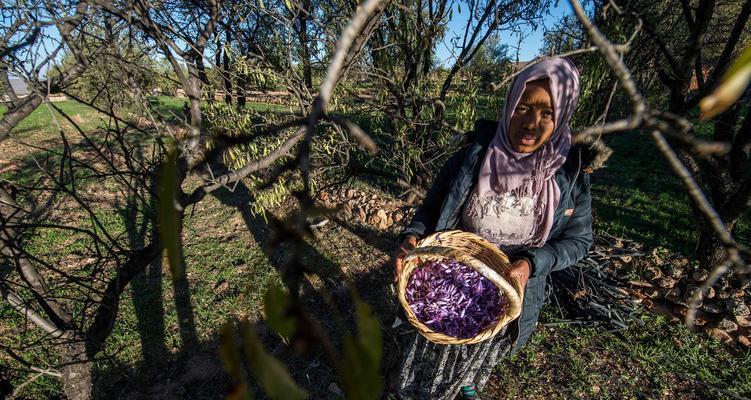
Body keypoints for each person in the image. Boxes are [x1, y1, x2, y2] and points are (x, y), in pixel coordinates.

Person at [388, 57, 594, 400]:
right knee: (437, 343)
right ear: (510, 104)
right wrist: (411, 237)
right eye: (523, 109)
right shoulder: (475, 155)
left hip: (515, 287)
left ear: (563, 117)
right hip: (454, 271)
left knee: (485, 349)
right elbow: (432, 207)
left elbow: (579, 240)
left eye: (547, 114)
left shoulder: (570, 176)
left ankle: (469, 386)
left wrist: (531, 263)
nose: (531, 124)